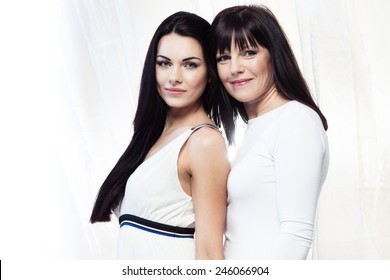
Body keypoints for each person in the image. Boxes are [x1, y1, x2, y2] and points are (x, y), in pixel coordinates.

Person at [90, 11, 231, 260]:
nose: (174, 77)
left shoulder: (203, 142)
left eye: (190, 65)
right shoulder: (151, 136)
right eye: (164, 63)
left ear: (210, 73)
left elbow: (209, 252)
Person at [210, 5, 329, 259]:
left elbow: (296, 235)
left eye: (248, 52)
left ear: (274, 54)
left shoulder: (295, 120)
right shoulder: (257, 127)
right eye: (223, 57)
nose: (234, 68)